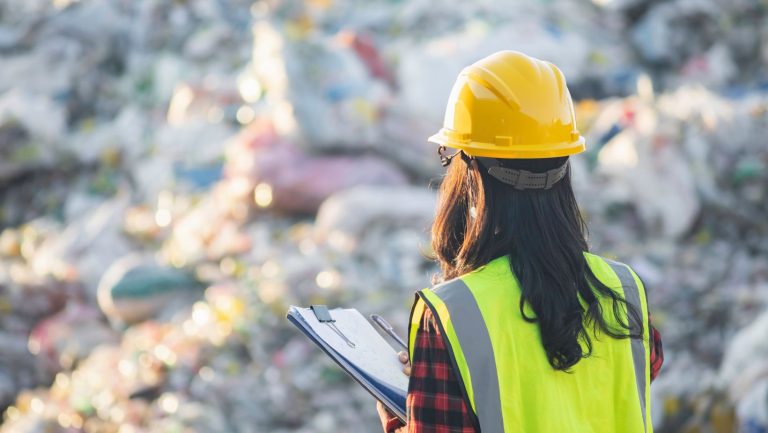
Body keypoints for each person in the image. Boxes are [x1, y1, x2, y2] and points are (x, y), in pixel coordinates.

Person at [376, 51, 664, 433]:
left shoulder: (450, 315)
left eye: (450, 155)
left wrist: (398, 414)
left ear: (472, 172)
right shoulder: (625, 291)